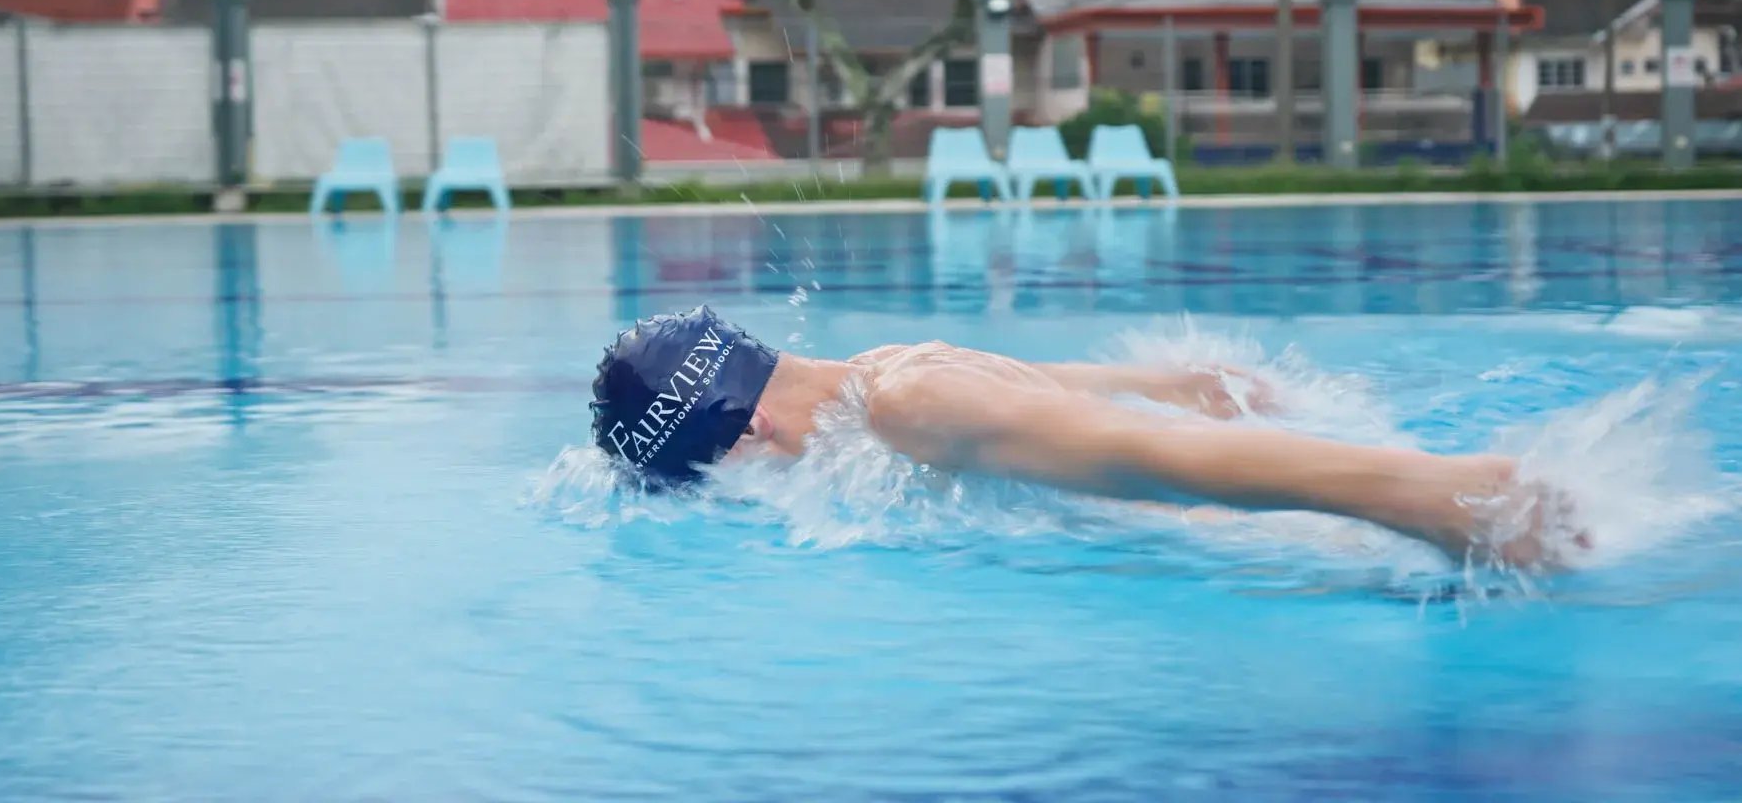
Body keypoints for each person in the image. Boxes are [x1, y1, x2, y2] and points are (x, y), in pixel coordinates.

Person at [590, 305, 1587, 570]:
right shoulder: (889, 375)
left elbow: (1152, 457)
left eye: (721, 475)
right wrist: (1172, 383)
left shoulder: (904, 408)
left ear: (746, 432)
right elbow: (1065, 399)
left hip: (1305, 530)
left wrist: (1443, 499)